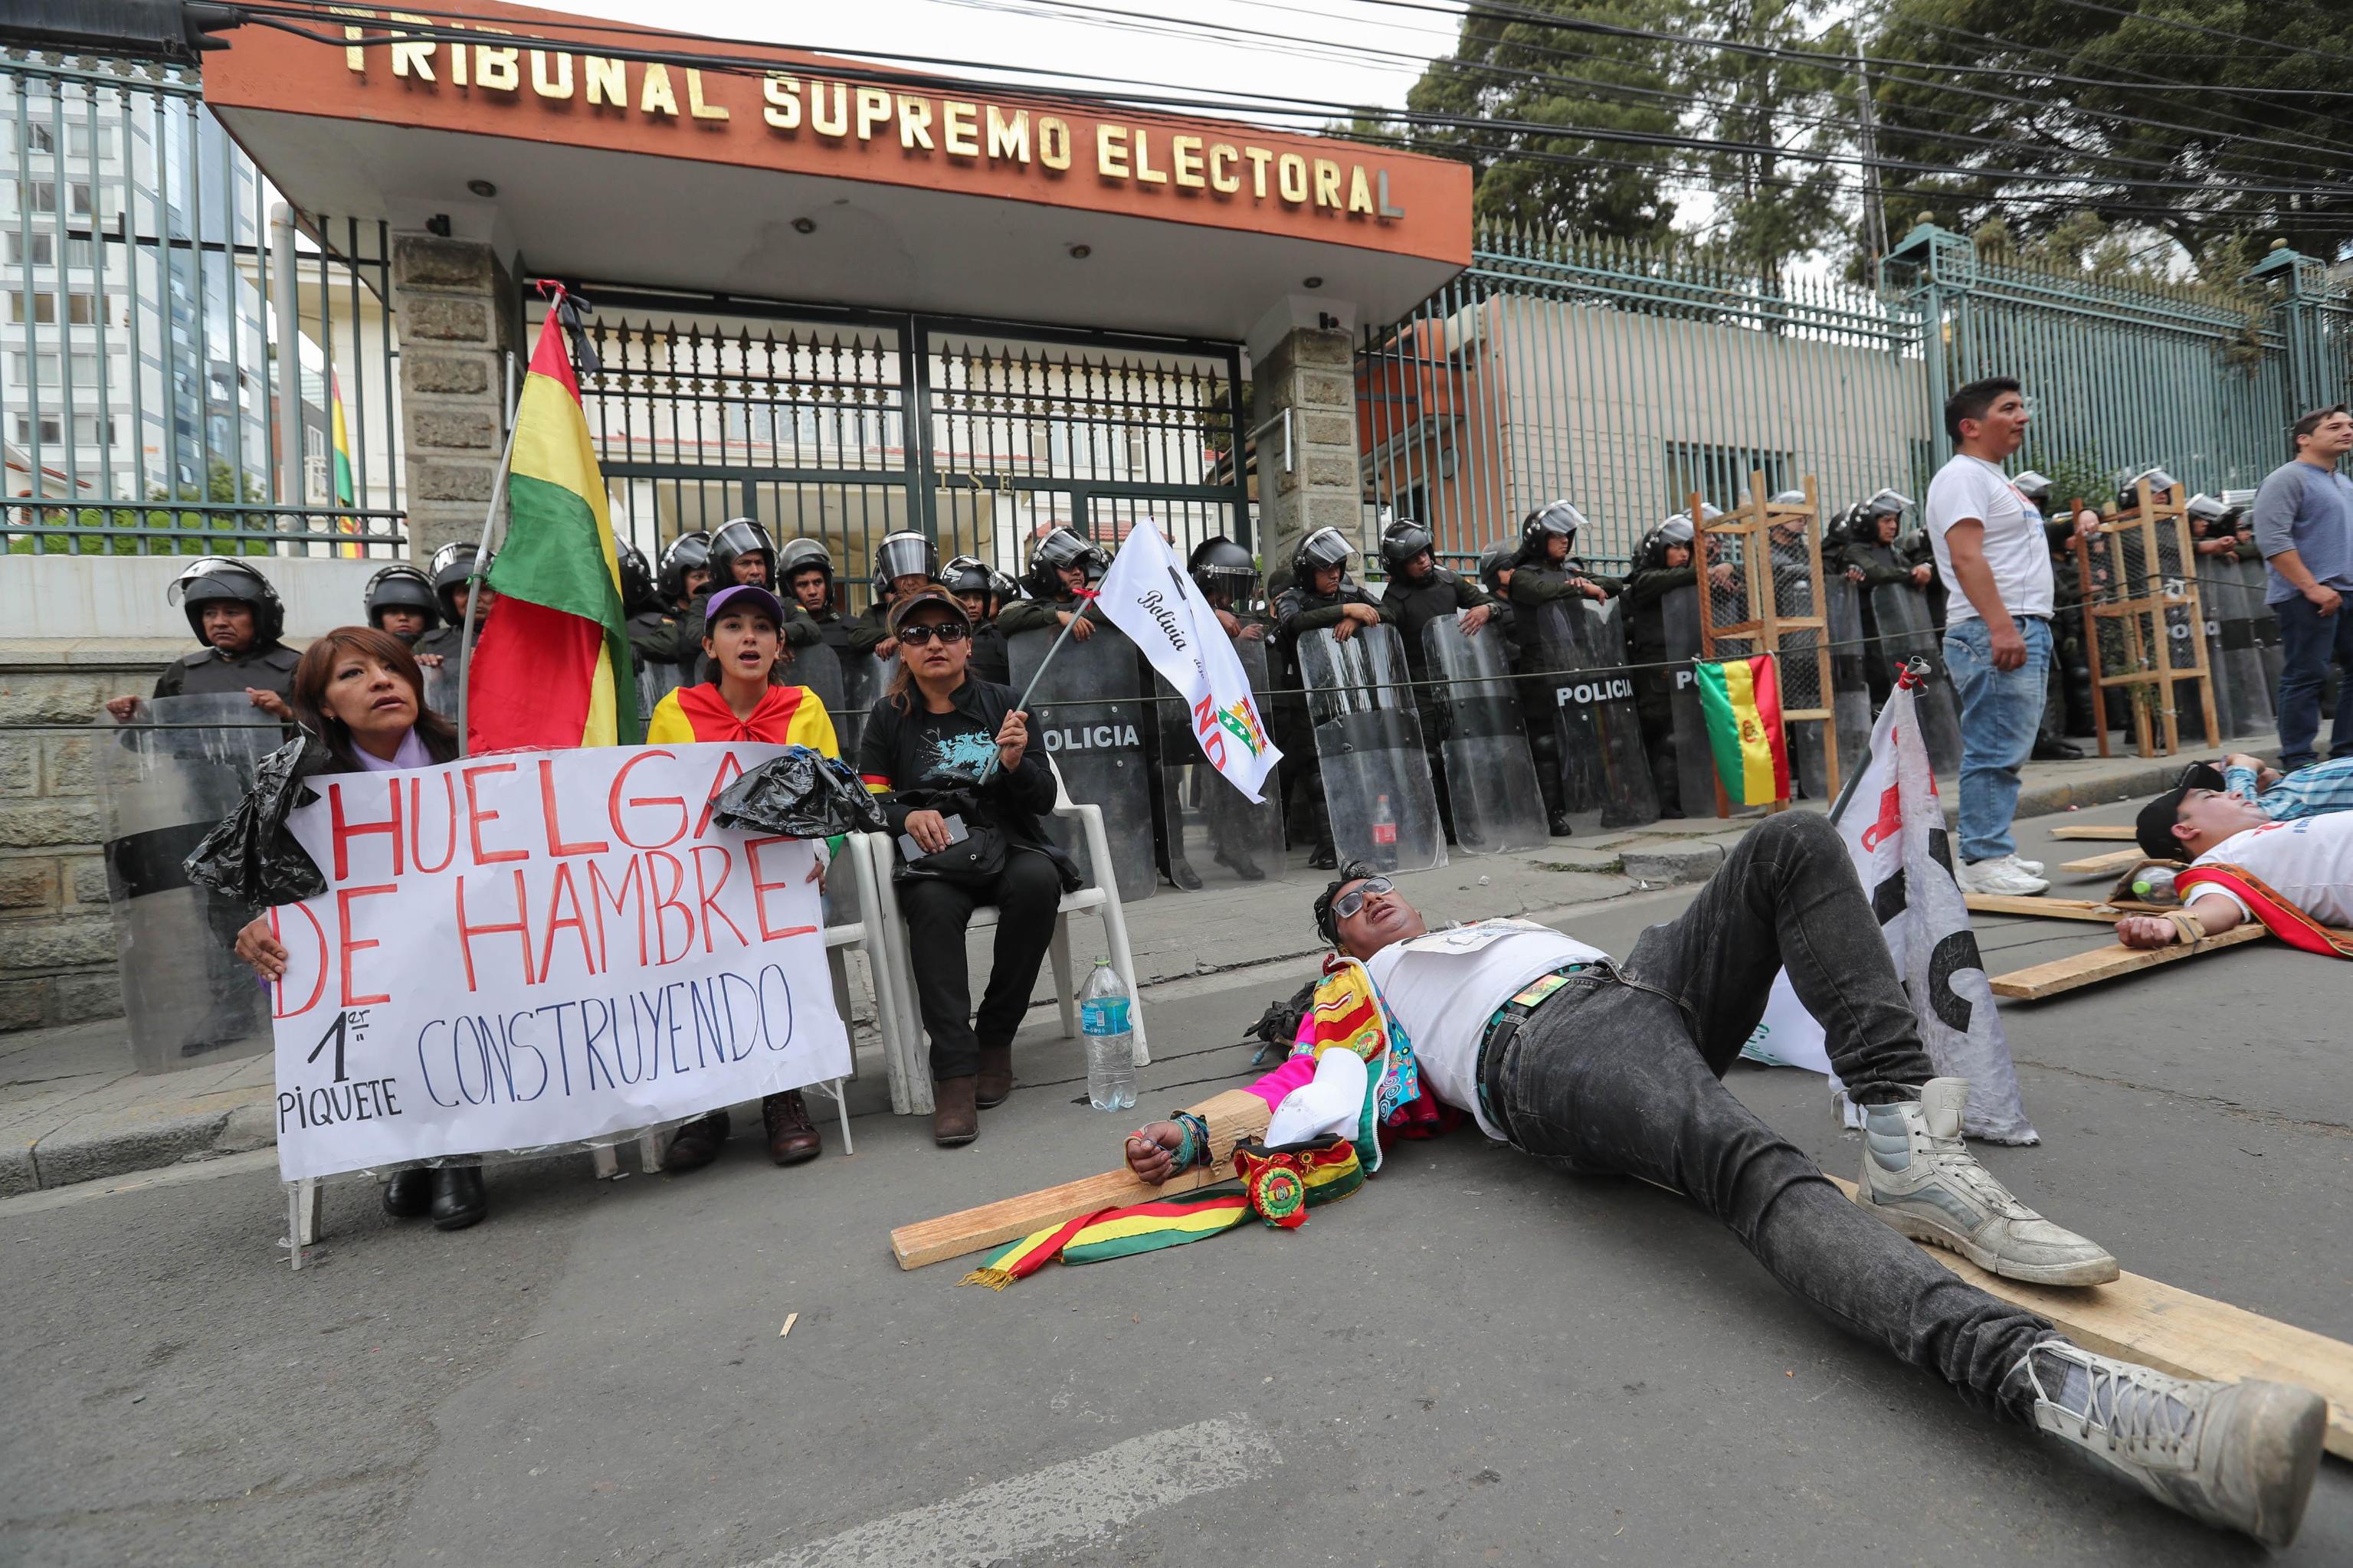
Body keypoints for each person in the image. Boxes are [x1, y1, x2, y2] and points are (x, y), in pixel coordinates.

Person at [1122, 838, 2326, 1550]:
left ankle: (1902, 1132)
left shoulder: (1481, 922)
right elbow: (1307, 1084)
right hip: (1546, 1058)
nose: (1371, 895)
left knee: (1790, 842)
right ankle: (2079, 1397)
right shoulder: (1357, 990)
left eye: (1378, 882)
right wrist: (1191, 1128)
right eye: (1347, 902)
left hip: (1632, 989)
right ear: (1332, 942)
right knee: (1758, 1170)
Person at [227, 628, 485, 1230]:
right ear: (321, 706)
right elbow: (292, 884)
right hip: (371, 952)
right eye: (352, 674)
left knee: (444, 964)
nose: (380, 680)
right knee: (310, 967)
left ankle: (458, 1150)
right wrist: (266, 922)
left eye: (391, 668)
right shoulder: (298, 784)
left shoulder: (473, 748)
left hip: (471, 936)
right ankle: (416, 1141)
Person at [856, 588, 1074, 1147]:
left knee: (1037, 882)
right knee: (928, 906)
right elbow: (870, 802)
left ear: (968, 643)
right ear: (901, 649)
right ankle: (954, 1071)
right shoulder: (887, 716)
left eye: (948, 631)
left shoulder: (1004, 700)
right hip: (935, 853)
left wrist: (1013, 763)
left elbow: (1044, 799)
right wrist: (907, 817)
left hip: (1005, 838)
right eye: (917, 634)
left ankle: (995, 1040)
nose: (934, 643)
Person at [643, 582, 837, 1169]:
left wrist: (821, 857)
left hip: (784, 879)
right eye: (732, 626)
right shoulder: (674, 711)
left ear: (780, 645)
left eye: (761, 626)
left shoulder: (805, 707)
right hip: (700, 882)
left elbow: (832, 800)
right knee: (685, 945)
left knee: (781, 937)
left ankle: (784, 1093)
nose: (748, 636)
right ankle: (707, 1103)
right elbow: (655, 808)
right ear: (709, 643)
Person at [1924, 378, 2091, 895]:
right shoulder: (1961, 477)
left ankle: (1992, 846)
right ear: (1970, 426)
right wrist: (2000, 625)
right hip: (1994, 626)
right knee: (1993, 747)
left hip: (2016, 622)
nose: (2022, 416)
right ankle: (1980, 859)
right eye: (2008, 408)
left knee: (2006, 747)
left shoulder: (1995, 479)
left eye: (2022, 407)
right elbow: (1966, 555)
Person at [2122, 774, 2352, 950]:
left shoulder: (2263, 833)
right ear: (2186, 830)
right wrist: (2171, 923)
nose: (2237, 794)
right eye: (2211, 796)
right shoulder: (2215, 864)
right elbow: (2217, 908)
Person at [1275, 527, 1393, 868]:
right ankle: (1329, 846)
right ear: (1307, 572)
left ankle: (1366, 838)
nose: (1335, 575)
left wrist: (1358, 618)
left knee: (1360, 767)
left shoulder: (1350, 593)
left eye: (1338, 567)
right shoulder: (1291, 597)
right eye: (1326, 569)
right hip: (1308, 699)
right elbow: (1294, 623)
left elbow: (1389, 613)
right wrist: (1344, 613)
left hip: (1350, 693)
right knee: (1318, 773)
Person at [1377, 519, 1496, 843]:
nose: (1424, 560)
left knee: (1462, 754)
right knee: (1431, 759)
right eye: (1415, 557)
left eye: (1426, 552)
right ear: (1400, 566)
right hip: (1420, 691)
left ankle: (1468, 822)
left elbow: (1492, 604)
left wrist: (1486, 610)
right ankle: (1439, 825)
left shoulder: (1449, 582)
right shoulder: (1394, 600)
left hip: (1455, 683)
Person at [2252, 405, 2353, 773]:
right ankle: (2300, 761)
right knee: (2307, 675)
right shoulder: (2287, 479)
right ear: (2304, 439)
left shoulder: (2343, 483)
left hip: (2347, 592)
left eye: (2349, 425)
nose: (2347, 430)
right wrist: (2312, 588)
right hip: (2306, 596)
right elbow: (2273, 540)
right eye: (2335, 426)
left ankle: (2346, 756)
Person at [1624, 516, 1739, 817]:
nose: (1684, 554)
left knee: (1693, 736)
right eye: (1675, 547)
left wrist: (1729, 569)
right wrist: (1706, 570)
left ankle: (1696, 797)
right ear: (1658, 550)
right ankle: (1666, 806)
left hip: (1689, 667)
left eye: (1687, 547)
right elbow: (1663, 580)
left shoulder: (1691, 576)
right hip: (1658, 675)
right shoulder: (1644, 580)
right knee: (1669, 739)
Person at [106, 558, 298, 722]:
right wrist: (133, 716)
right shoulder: (182, 672)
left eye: (232, 612)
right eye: (210, 614)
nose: (219, 622)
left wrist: (286, 714)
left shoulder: (300, 668)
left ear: (260, 617)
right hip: (198, 767)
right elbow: (158, 740)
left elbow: (326, 733)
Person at [680, 519, 820, 679]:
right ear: (725, 569)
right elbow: (695, 634)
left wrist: (781, 635)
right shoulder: (705, 602)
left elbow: (812, 629)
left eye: (760, 563)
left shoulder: (785, 603)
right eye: (745, 563)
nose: (755, 570)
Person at [997, 525, 1109, 642]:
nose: (1077, 572)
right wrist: (1058, 616)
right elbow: (1005, 617)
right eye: (1068, 566)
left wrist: (1077, 615)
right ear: (1047, 571)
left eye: (1080, 567)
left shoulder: (1093, 604)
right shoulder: (1034, 606)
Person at [847, 530, 946, 659]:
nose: (910, 582)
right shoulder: (879, 613)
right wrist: (897, 634)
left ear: (928, 575)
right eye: (902, 577)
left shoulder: (945, 604)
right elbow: (857, 639)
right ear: (891, 580)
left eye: (916, 575)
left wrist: (902, 638)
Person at [411, 542, 495, 673]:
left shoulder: (521, 641)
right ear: (450, 600)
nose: (474, 598)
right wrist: (428, 672)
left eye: (482, 590)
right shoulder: (429, 645)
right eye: (463, 592)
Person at [941, 554, 1011, 686]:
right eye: (965, 598)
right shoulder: (938, 636)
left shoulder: (999, 636)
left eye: (977, 598)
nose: (972, 604)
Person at [780, 536, 854, 655]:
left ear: (828, 584)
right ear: (790, 590)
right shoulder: (782, 631)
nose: (812, 591)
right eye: (803, 584)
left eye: (818, 582)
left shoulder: (852, 627)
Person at [362, 563, 440, 647]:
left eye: (412, 612)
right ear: (379, 620)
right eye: (393, 612)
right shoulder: (366, 656)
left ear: (428, 619)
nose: (403, 618)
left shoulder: (446, 652)